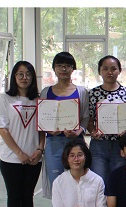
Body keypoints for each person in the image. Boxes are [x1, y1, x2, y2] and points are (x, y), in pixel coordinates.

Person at [0, 61, 45, 207]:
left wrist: (39, 150)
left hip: (34, 159)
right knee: (15, 197)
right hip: (11, 159)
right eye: (20, 74)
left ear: (33, 77)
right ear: (14, 77)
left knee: (28, 196)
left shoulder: (38, 100)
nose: (24, 78)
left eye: (28, 74)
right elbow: (2, 129)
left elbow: (42, 128)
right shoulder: (5, 99)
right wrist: (19, 153)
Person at [40, 51, 89, 198]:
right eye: (60, 65)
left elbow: (85, 118)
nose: (63, 69)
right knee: (56, 184)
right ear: (54, 68)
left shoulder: (81, 92)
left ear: (72, 69)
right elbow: (42, 120)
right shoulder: (46, 92)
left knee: (78, 183)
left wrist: (78, 131)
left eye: (67, 66)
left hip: (76, 143)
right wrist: (49, 130)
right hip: (53, 143)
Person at [87, 55, 126, 183]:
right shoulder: (92, 94)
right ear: (99, 71)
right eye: (105, 68)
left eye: (113, 68)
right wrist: (93, 131)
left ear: (119, 71)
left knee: (118, 182)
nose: (109, 72)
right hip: (99, 145)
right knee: (99, 182)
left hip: (120, 145)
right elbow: (89, 120)